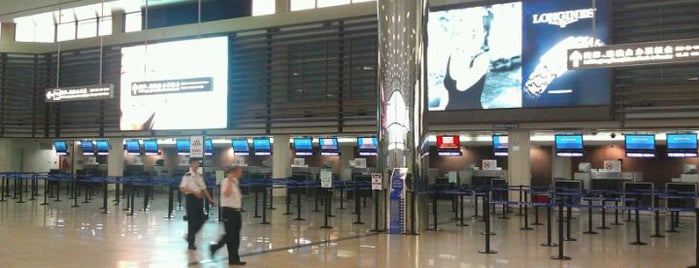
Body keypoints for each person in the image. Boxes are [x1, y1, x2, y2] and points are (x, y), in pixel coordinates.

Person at [210, 165, 246, 265]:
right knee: (230, 234)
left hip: (236, 211)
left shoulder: (236, 182)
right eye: (239, 171)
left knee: (235, 237)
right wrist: (230, 180)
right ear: (233, 172)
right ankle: (215, 247)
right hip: (228, 211)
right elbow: (226, 194)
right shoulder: (226, 181)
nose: (241, 174)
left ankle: (234, 259)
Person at [179, 158, 214, 250]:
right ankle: (191, 243)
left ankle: (190, 235)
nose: (197, 165)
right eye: (195, 163)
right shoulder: (187, 176)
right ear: (190, 165)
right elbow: (182, 188)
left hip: (199, 199)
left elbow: (204, 188)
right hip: (190, 199)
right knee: (191, 221)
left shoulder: (199, 176)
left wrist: (210, 199)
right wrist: (193, 192)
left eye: (198, 163)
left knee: (202, 219)